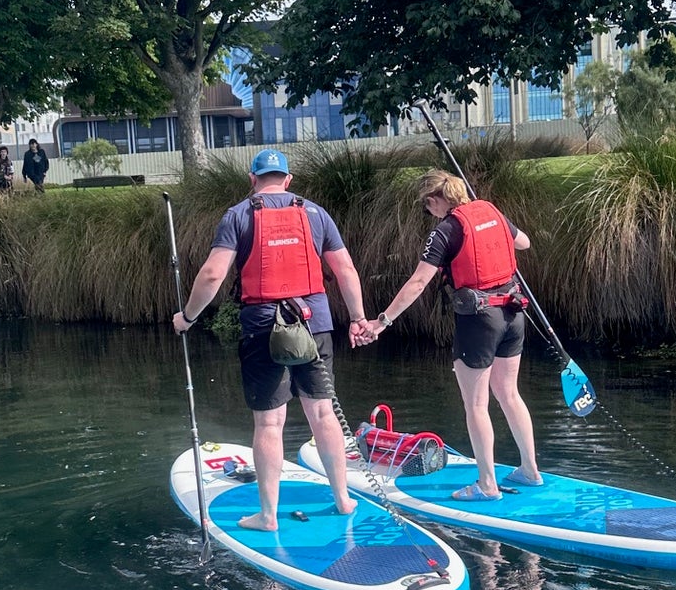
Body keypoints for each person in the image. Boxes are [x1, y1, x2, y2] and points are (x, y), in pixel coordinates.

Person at [172, 148, 369, 534]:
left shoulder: (238, 215)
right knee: (323, 414)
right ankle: (343, 499)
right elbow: (345, 269)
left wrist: (188, 317)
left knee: (269, 422)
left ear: (252, 179)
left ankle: (267, 516)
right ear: (288, 180)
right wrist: (359, 318)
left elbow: (213, 275)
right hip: (315, 324)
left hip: (263, 327)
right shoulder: (315, 213)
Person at [358, 171, 542, 501]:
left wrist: (382, 321)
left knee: (476, 404)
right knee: (509, 394)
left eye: (426, 207)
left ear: (433, 201)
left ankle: (487, 485)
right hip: (514, 314)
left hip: (480, 323)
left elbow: (417, 283)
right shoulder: (491, 211)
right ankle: (530, 469)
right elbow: (524, 242)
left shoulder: (446, 230)